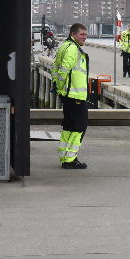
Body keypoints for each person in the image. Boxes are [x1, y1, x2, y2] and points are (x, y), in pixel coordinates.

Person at [51, 23, 90, 169]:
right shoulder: (73, 49)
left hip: (69, 95)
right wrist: (61, 87)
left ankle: (64, 155)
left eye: (86, 35)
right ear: (73, 34)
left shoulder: (64, 46)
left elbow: (55, 67)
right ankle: (71, 159)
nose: (84, 37)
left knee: (68, 126)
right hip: (75, 96)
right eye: (82, 34)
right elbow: (63, 70)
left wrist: (59, 88)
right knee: (79, 127)